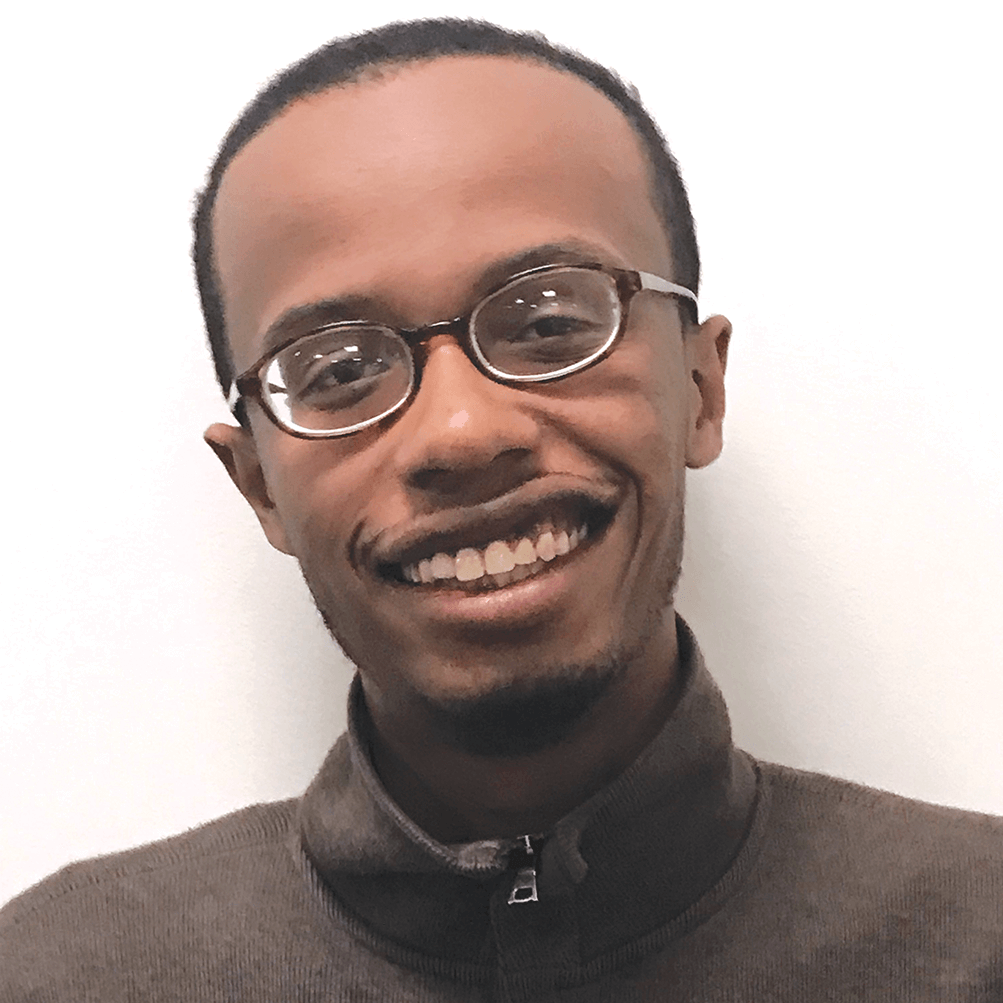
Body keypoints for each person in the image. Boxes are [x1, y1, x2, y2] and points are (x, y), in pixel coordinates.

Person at [2, 18, 1000, 1001]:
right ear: (259, 483)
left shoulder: (976, 935)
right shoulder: (60, 974)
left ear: (698, 390)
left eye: (549, 319)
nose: (462, 434)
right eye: (340, 369)